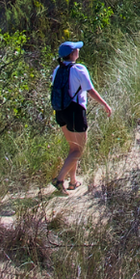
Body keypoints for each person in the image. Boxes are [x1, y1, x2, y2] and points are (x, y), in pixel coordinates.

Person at [49, 40, 111, 193]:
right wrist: (105, 104)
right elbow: (90, 91)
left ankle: (73, 181)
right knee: (78, 150)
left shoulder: (58, 69)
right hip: (75, 111)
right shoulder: (79, 69)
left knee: (73, 148)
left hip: (60, 112)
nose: (78, 51)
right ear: (72, 54)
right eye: (76, 49)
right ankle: (60, 179)